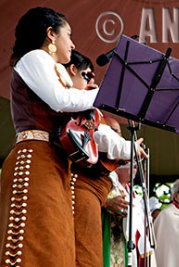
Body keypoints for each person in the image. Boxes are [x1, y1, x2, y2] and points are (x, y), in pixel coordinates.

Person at [0, 7, 100, 266]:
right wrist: (106, 95)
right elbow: (61, 101)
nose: (73, 43)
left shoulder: (53, 68)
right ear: (50, 34)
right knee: (39, 245)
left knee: (55, 247)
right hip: (36, 159)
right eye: (69, 34)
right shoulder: (35, 57)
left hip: (53, 162)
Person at [63, 50, 148, 266]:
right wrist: (128, 148)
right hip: (79, 193)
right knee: (85, 258)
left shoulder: (83, 110)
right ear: (72, 70)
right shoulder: (75, 106)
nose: (92, 82)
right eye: (87, 76)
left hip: (89, 195)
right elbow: (95, 133)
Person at [103, 162, 157, 267]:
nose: (135, 168)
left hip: (131, 243)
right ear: (117, 167)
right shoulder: (108, 184)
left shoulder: (131, 191)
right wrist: (107, 203)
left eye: (136, 166)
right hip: (111, 238)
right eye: (132, 164)